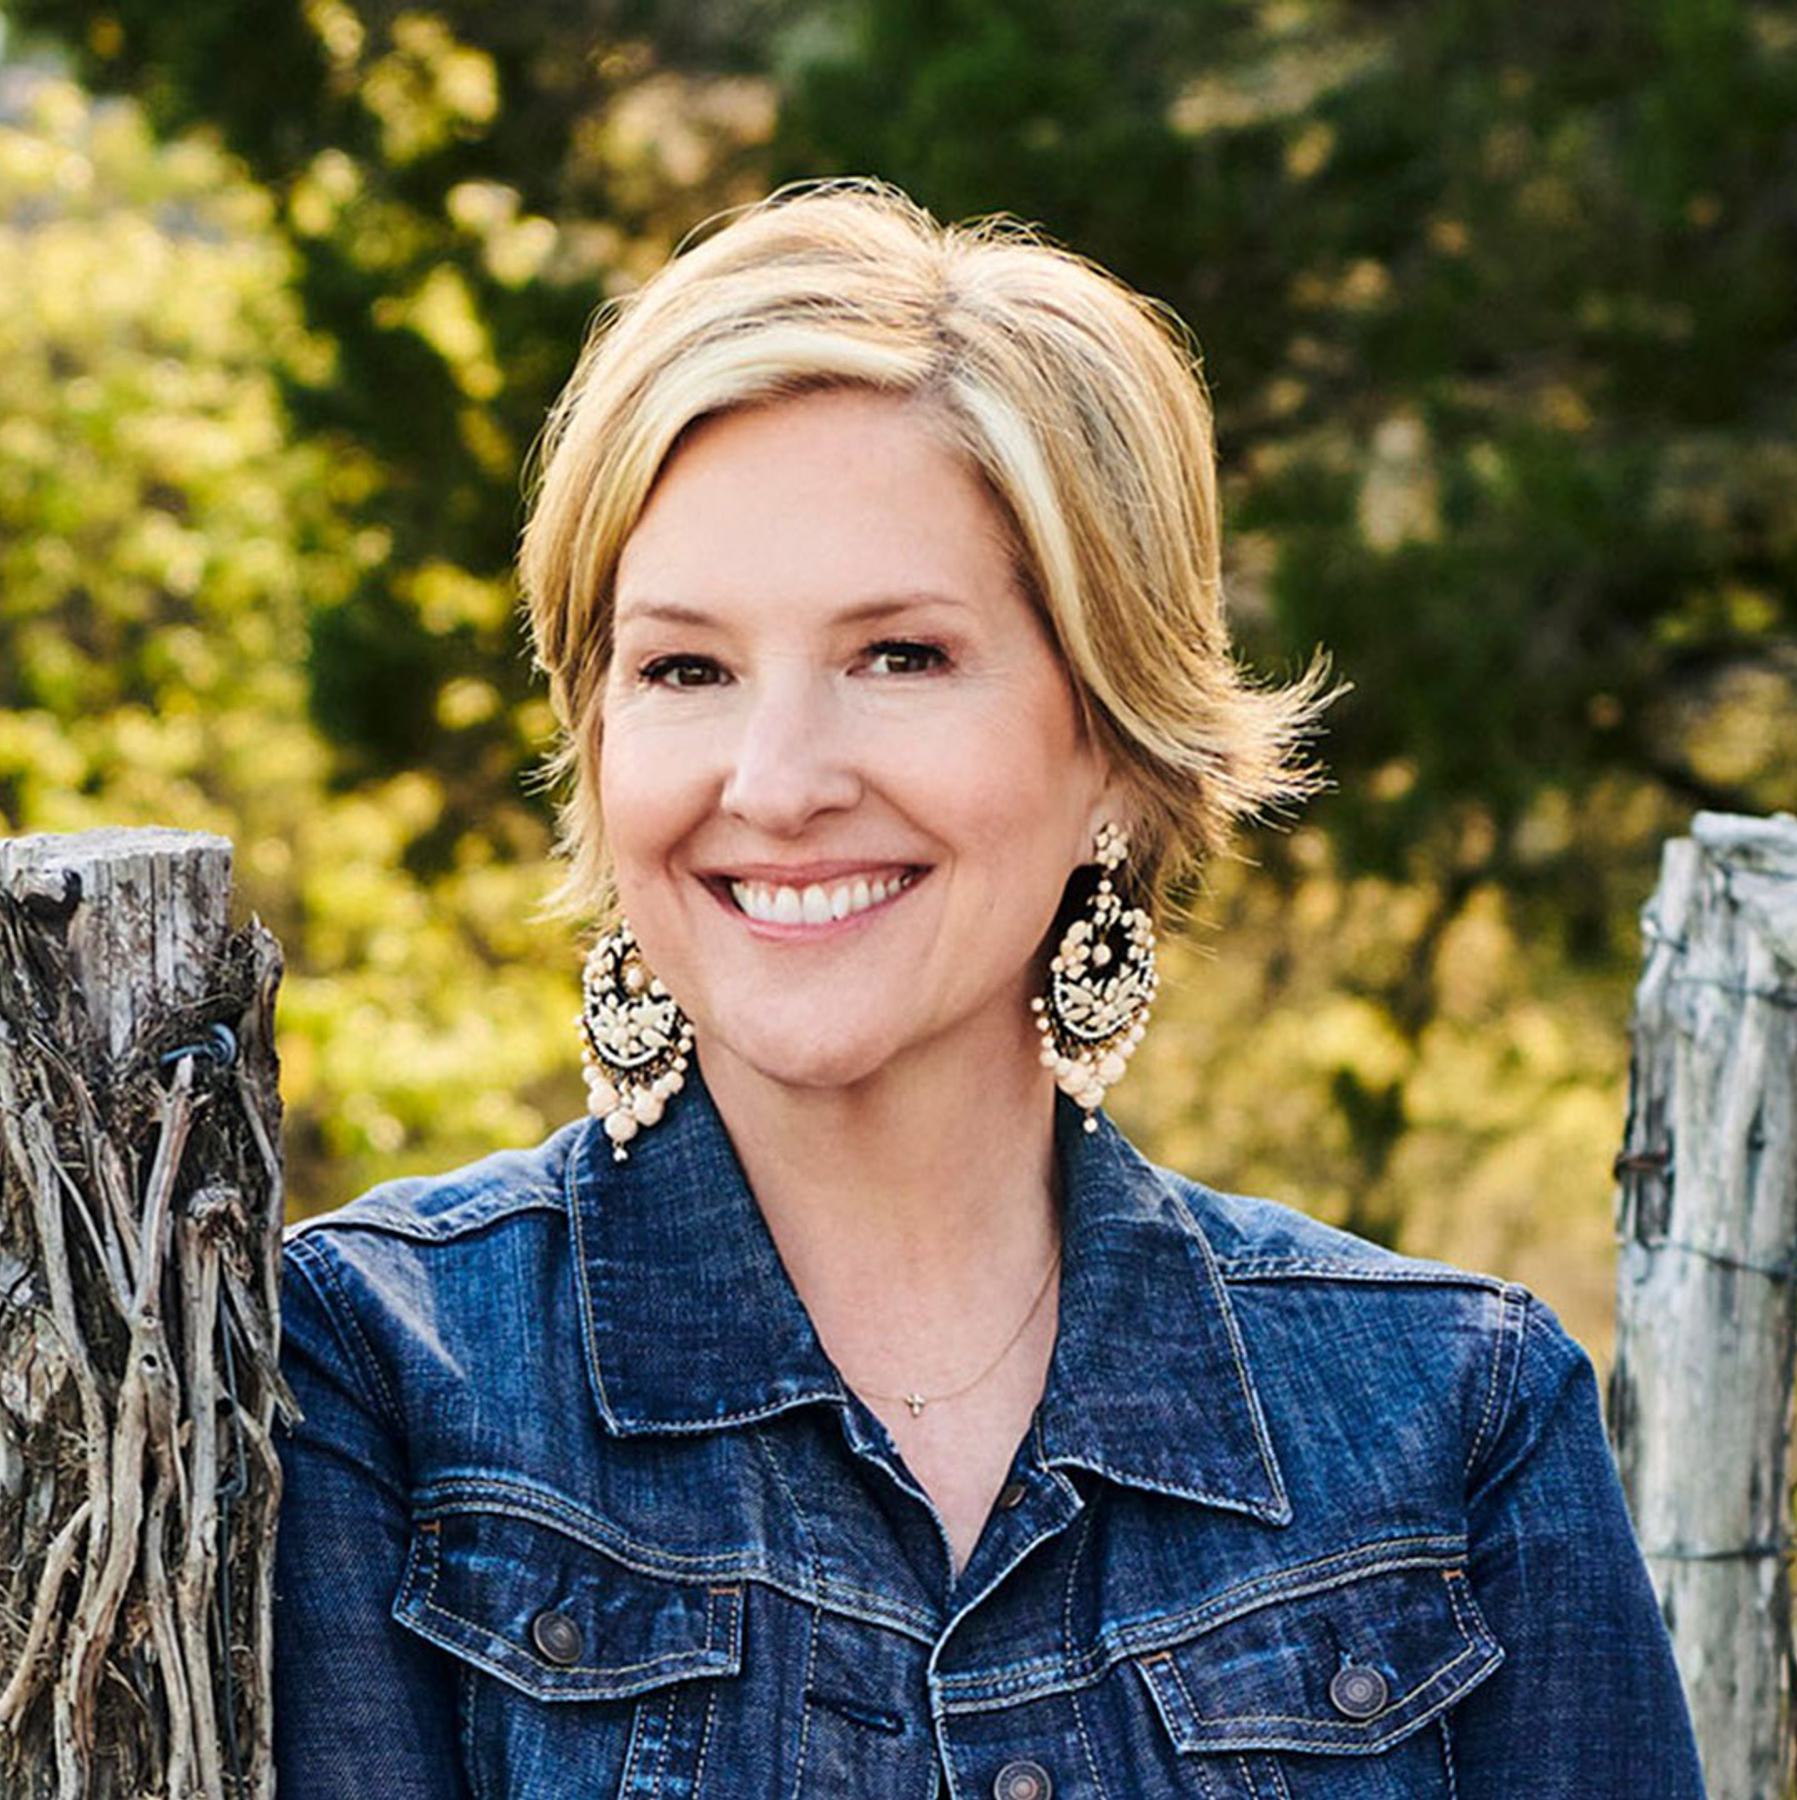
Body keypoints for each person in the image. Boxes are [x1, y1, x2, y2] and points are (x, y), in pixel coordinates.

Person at [272, 178, 1707, 1798]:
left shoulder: (1457, 1421)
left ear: (1111, 741)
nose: (778, 778)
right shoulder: (373, 1373)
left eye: (902, 656)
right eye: (684, 667)